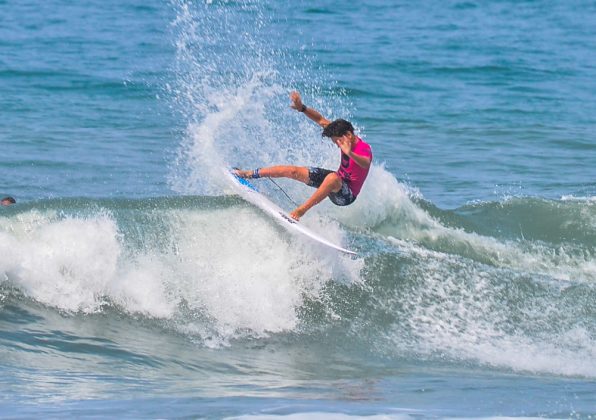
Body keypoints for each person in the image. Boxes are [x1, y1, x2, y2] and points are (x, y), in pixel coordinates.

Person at [235, 91, 372, 221]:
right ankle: (249, 173)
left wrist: (349, 153)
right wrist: (302, 108)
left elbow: (365, 163)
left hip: (346, 196)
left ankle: (300, 211)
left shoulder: (363, 148)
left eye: (338, 141)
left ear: (348, 135)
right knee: (293, 171)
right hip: (335, 181)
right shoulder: (340, 132)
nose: (338, 145)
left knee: (332, 178)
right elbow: (320, 119)